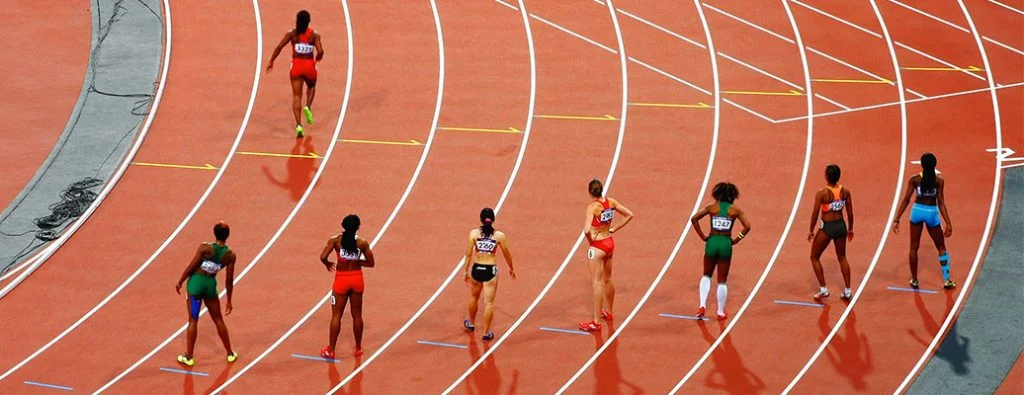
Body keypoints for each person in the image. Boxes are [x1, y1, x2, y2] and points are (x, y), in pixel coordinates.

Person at [175, 222, 238, 367]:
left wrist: (180, 281)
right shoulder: (230, 255)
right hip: (210, 287)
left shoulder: (205, 248)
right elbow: (229, 280)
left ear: (214, 233)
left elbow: (191, 267)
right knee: (218, 319)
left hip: (196, 286)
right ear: (228, 235)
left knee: (193, 320)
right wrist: (229, 300)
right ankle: (230, 354)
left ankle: (189, 357)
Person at [892, 153, 955, 289]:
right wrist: (948, 222)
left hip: (917, 212)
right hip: (931, 213)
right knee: (941, 247)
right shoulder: (939, 181)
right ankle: (947, 280)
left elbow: (906, 199)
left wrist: (897, 219)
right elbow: (941, 203)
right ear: (935, 165)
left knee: (913, 248)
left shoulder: (914, 180)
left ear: (921, 165)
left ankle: (914, 280)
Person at [690, 182, 751, 320]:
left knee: (706, 275)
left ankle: (702, 305)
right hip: (725, 243)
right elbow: (747, 227)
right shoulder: (735, 210)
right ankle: (720, 312)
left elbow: (694, 219)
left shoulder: (712, 207)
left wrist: (702, 236)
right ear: (733, 196)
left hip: (711, 242)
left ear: (717, 194)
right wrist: (737, 239)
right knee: (722, 281)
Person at [579, 179, 634, 332]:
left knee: (597, 283)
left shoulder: (592, 208)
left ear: (590, 192)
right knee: (608, 279)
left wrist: (591, 241)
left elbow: (586, 230)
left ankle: (596, 322)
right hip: (609, 242)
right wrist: (614, 228)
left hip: (597, 246)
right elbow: (629, 215)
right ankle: (609, 312)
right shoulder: (611, 202)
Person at [319, 215, 375, 359]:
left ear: (343, 226)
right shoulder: (362, 243)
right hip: (357, 279)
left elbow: (323, 257)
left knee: (336, 316)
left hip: (341, 280)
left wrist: (327, 264)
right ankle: (358, 348)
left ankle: (331, 350)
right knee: (357, 315)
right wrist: (358, 262)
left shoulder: (335, 241)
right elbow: (371, 263)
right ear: (358, 227)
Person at [267, 10, 324, 138]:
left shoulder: (292, 34)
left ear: (297, 21)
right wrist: (318, 57)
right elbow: (320, 51)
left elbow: (279, 47)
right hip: (309, 65)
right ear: (309, 21)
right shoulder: (315, 35)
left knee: (296, 96)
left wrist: (271, 61)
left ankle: (298, 125)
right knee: (311, 86)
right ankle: (308, 106)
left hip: (296, 66)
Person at [463, 208, 516, 341]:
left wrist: (465, 270)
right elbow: (507, 254)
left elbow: (468, 254)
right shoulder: (499, 236)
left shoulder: (474, 234)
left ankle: (471, 324)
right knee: (489, 303)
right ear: (493, 220)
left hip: (477, 268)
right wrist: (511, 268)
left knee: (474, 297)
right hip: (490, 269)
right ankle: (486, 333)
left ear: (481, 219)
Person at [807, 164, 855, 301]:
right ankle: (848, 291)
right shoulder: (845, 192)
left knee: (814, 256)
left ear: (826, 177)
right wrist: (850, 229)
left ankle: (823, 289)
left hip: (827, 227)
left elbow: (815, 214)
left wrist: (811, 230)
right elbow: (850, 213)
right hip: (841, 226)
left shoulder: (822, 194)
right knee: (842, 257)